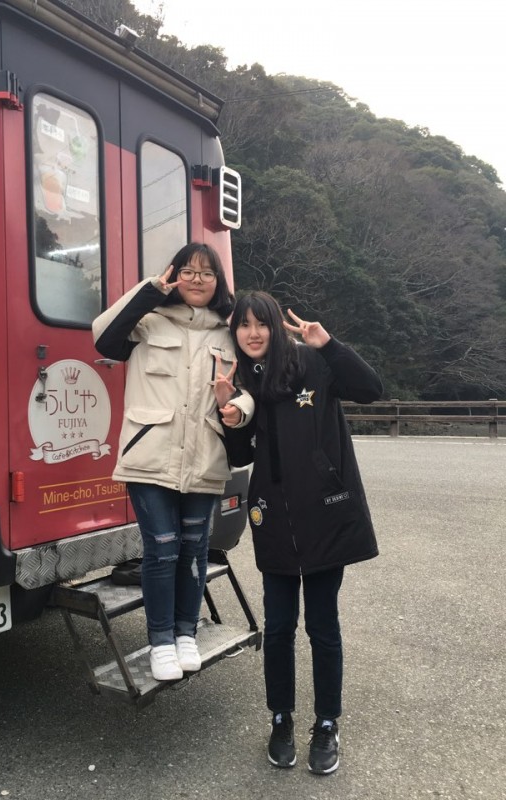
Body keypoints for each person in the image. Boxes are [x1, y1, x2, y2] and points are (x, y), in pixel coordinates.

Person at [216, 291, 382, 775]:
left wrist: (329, 345)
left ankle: (327, 723)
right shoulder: (244, 380)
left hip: (324, 516)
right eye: (243, 325)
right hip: (273, 520)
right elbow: (242, 456)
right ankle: (281, 719)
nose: (252, 333)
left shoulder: (312, 362)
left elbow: (370, 388)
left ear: (274, 326)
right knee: (279, 629)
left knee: (323, 627)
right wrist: (227, 413)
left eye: (261, 323)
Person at [92, 243, 253, 682]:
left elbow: (249, 388)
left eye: (207, 272)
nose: (197, 279)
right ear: (174, 275)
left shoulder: (229, 333)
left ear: (219, 281)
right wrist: (150, 290)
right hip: (150, 456)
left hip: (205, 457)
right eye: (188, 270)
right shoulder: (148, 320)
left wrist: (240, 408)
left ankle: (186, 633)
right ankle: (161, 640)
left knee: (195, 548)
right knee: (162, 549)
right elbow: (103, 338)